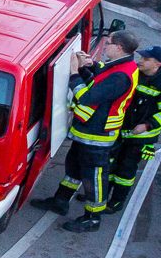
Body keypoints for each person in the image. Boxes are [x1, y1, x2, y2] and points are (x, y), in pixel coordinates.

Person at [32, 30, 140, 232]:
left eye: (108, 43)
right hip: (88, 132)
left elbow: (87, 97)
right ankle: (60, 201)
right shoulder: (122, 65)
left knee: (93, 178)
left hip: (97, 136)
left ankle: (92, 218)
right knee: (73, 168)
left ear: (119, 48)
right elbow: (100, 77)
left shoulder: (121, 75)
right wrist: (88, 66)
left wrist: (74, 73)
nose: (105, 45)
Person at [106, 44, 161, 212]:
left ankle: (116, 202)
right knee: (110, 164)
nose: (141, 61)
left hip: (141, 137)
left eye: (146, 59)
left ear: (158, 64)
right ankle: (102, 195)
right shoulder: (137, 73)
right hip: (123, 129)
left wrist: (147, 125)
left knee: (125, 171)